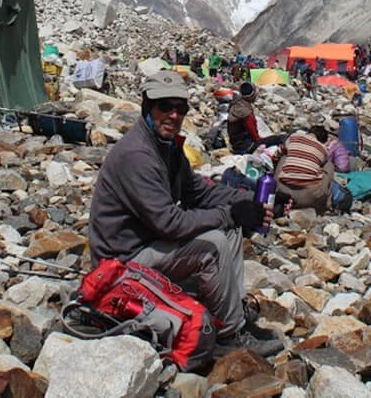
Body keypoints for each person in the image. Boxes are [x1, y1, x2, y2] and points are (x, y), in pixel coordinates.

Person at [88, 70, 283, 357]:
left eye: (180, 109)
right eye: (165, 106)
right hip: (121, 261)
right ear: (147, 107)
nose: (174, 115)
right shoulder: (138, 155)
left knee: (229, 233)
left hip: (147, 243)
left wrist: (251, 202)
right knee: (214, 244)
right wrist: (232, 214)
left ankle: (235, 318)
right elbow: (169, 223)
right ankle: (229, 338)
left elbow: (200, 193)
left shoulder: (167, 147)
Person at [274, 126, 352, 214]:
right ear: (322, 140)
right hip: (310, 197)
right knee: (328, 165)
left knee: (284, 157)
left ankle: (273, 189)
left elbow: (281, 150)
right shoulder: (322, 148)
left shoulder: (293, 137)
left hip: (283, 191)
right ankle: (327, 206)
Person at [227, 82, 283, 154]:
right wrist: (261, 141)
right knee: (277, 138)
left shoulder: (236, 104)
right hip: (245, 146)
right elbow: (255, 137)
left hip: (235, 144)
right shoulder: (247, 114)